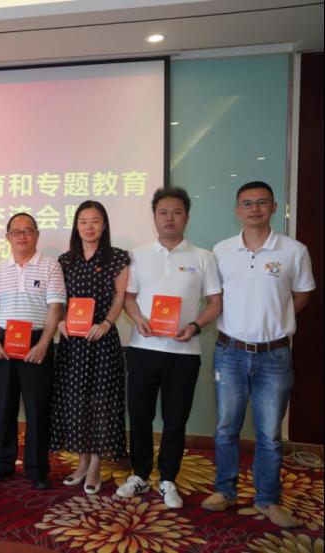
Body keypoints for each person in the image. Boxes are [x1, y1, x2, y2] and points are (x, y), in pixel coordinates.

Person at [202, 181, 314, 527]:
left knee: (269, 434)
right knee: (226, 427)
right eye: (247, 203)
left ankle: (268, 499)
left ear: (274, 207)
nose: (254, 209)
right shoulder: (221, 250)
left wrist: (277, 319)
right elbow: (215, 299)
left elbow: (302, 295)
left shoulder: (294, 251)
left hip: (274, 356)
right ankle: (225, 490)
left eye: (262, 202)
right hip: (230, 352)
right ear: (237, 210)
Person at [118, 186, 222, 509]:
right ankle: (139, 474)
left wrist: (195, 326)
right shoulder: (138, 254)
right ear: (154, 218)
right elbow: (129, 298)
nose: (169, 218)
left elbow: (215, 302)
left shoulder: (203, 257)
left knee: (175, 419)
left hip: (184, 353)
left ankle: (168, 479)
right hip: (143, 348)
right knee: (140, 416)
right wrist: (138, 319)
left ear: (187, 217)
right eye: (163, 212)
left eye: (176, 212)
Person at [50, 201, 129, 494]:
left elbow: (119, 297)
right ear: (76, 226)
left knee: (101, 402)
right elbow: (59, 298)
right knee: (76, 401)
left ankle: (96, 465)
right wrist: (60, 322)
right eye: (83, 221)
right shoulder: (65, 260)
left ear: (104, 225)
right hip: (72, 343)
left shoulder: (117, 257)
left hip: (102, 340)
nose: (89, 227)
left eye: (95, 221)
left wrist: (106, 324)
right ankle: (82, 463)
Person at [0, 212, 65, 489]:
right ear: (7, 237)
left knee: (37, 410)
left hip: (36, 343)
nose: (22, 236)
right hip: (4, 343)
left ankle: (37, 468)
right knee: (4, 408)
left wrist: (43, 345)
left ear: (37, 235)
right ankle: (4, 464)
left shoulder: (51, 266)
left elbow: (55, 309)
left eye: (28, 231)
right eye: (16, 232)